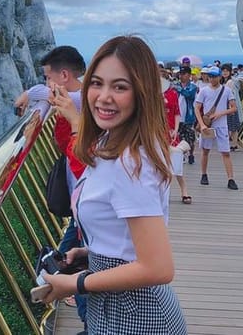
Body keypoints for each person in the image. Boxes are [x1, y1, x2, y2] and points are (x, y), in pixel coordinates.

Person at [42, 35, 187, 334]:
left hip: (135, 318)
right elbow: (127, 234)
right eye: (96, 83)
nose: (103, 96)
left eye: (119, 87)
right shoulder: (114, 141)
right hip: (116, 309)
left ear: (141, 92)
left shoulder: (130, 162)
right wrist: (88, 255)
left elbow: (159, 268)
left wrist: (75, 283)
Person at [13, 45, 88, 316]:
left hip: (84, 186)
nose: (47, 84)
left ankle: (79, 302)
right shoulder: (79, 97)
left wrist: (27, 94)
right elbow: (46, 93)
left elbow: (44, 93)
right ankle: (73, 292)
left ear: (64, 75)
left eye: (49, 76)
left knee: (75, 249)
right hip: (80, 186)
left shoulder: (80, 100)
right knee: (73, 245)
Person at [194, 66, 239, 190]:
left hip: (221, 125)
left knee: (225, 152)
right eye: (210, 76)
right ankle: (204, 174)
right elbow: (197, 108)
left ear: (220, 77)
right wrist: (202, 124)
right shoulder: (204, 91)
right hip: (208, 125)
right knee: (205, 150)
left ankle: (230, 178)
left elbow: (234, 108)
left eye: (214, 76)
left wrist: (220, 113)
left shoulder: (226, 91)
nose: (212, 79)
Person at [162, 75, 191, 204]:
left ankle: (184, 190)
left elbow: (176, 113)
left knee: (176, 162)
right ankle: (163, 192)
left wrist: (176, 129)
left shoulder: (172, 94)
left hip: (170, 132)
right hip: (156, 133)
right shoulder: (149, 95)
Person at [175, 65, 198, 164]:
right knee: (179, 136)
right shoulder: (176, 85)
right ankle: (181, 154)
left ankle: (191, 154)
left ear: (189, 75)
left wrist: (178, 89)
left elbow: (189, 95)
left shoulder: (193, 87)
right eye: (180, 74)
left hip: (189, 115)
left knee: (190, 137)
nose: (181, 76)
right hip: (177, 116)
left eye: (184, 74)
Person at [221, 64, 242, 151]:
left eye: (226, 71)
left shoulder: (230, 82)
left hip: (230, 106)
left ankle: (234, 144)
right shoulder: (225, 82)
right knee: (232, 126)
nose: (225, 73)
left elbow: (230, 95)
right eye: (223, 71)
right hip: (228, 106)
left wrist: (231, 108)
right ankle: (234, 144)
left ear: (230, 72)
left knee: (232, 126)